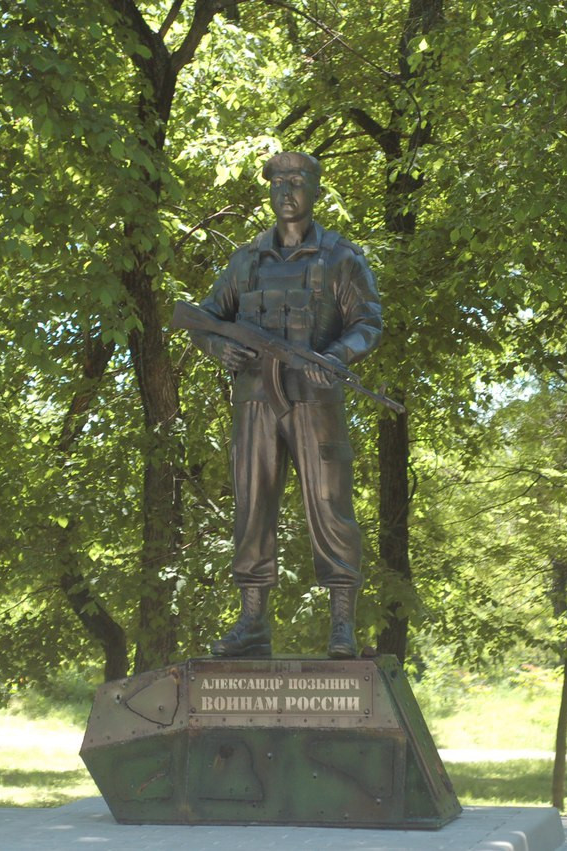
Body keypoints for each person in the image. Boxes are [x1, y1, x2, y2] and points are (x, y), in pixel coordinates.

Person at [190, 151, 383, 659]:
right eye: (278, 182)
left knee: (330, 506)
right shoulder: (246, 260)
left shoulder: (341, 258)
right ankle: (252, 622)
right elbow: (206, 319)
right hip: (255, 403)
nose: (286, 191)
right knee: (252, 507)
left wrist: (336, 356)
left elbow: (367, 322)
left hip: (316, 400)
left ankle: (342, 625)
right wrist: (218, 348)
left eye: (296, 182)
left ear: (315, 190)